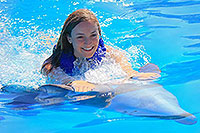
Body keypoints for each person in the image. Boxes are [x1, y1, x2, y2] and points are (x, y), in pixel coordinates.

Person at [41, 9, 160, 92]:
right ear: (69, 38)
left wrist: (133, 74)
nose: (88, 42)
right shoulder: (57, 60)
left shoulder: (108, 52)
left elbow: (123, 63)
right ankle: (47, 39)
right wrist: (72, 82)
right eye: (80, 37)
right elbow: (48, 70)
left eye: (93, 35)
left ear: (99, 34)